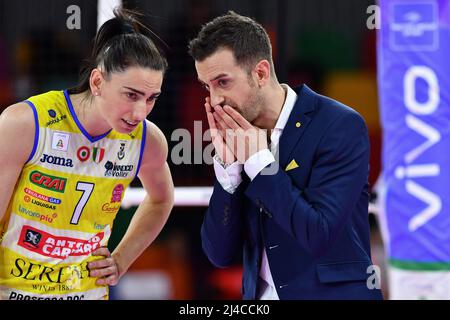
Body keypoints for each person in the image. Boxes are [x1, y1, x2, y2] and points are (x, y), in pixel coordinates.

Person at [189, 11, 383, 300]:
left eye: (223, 82)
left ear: (261, 73)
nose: (215, 100)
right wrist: (229, 174)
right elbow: (219, 255)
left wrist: (259, 163)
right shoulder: (238, 138)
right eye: (208, 86)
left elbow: (319, 234)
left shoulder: (339, 125)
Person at [0, 9, 174, 300]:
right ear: (97, 82)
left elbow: (161, 199)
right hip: (14, 290)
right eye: (131, 95)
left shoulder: (148, 140)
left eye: (151, 98)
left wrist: (121, 259)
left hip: (87, 293)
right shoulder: (25, 123)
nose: (140, 112)